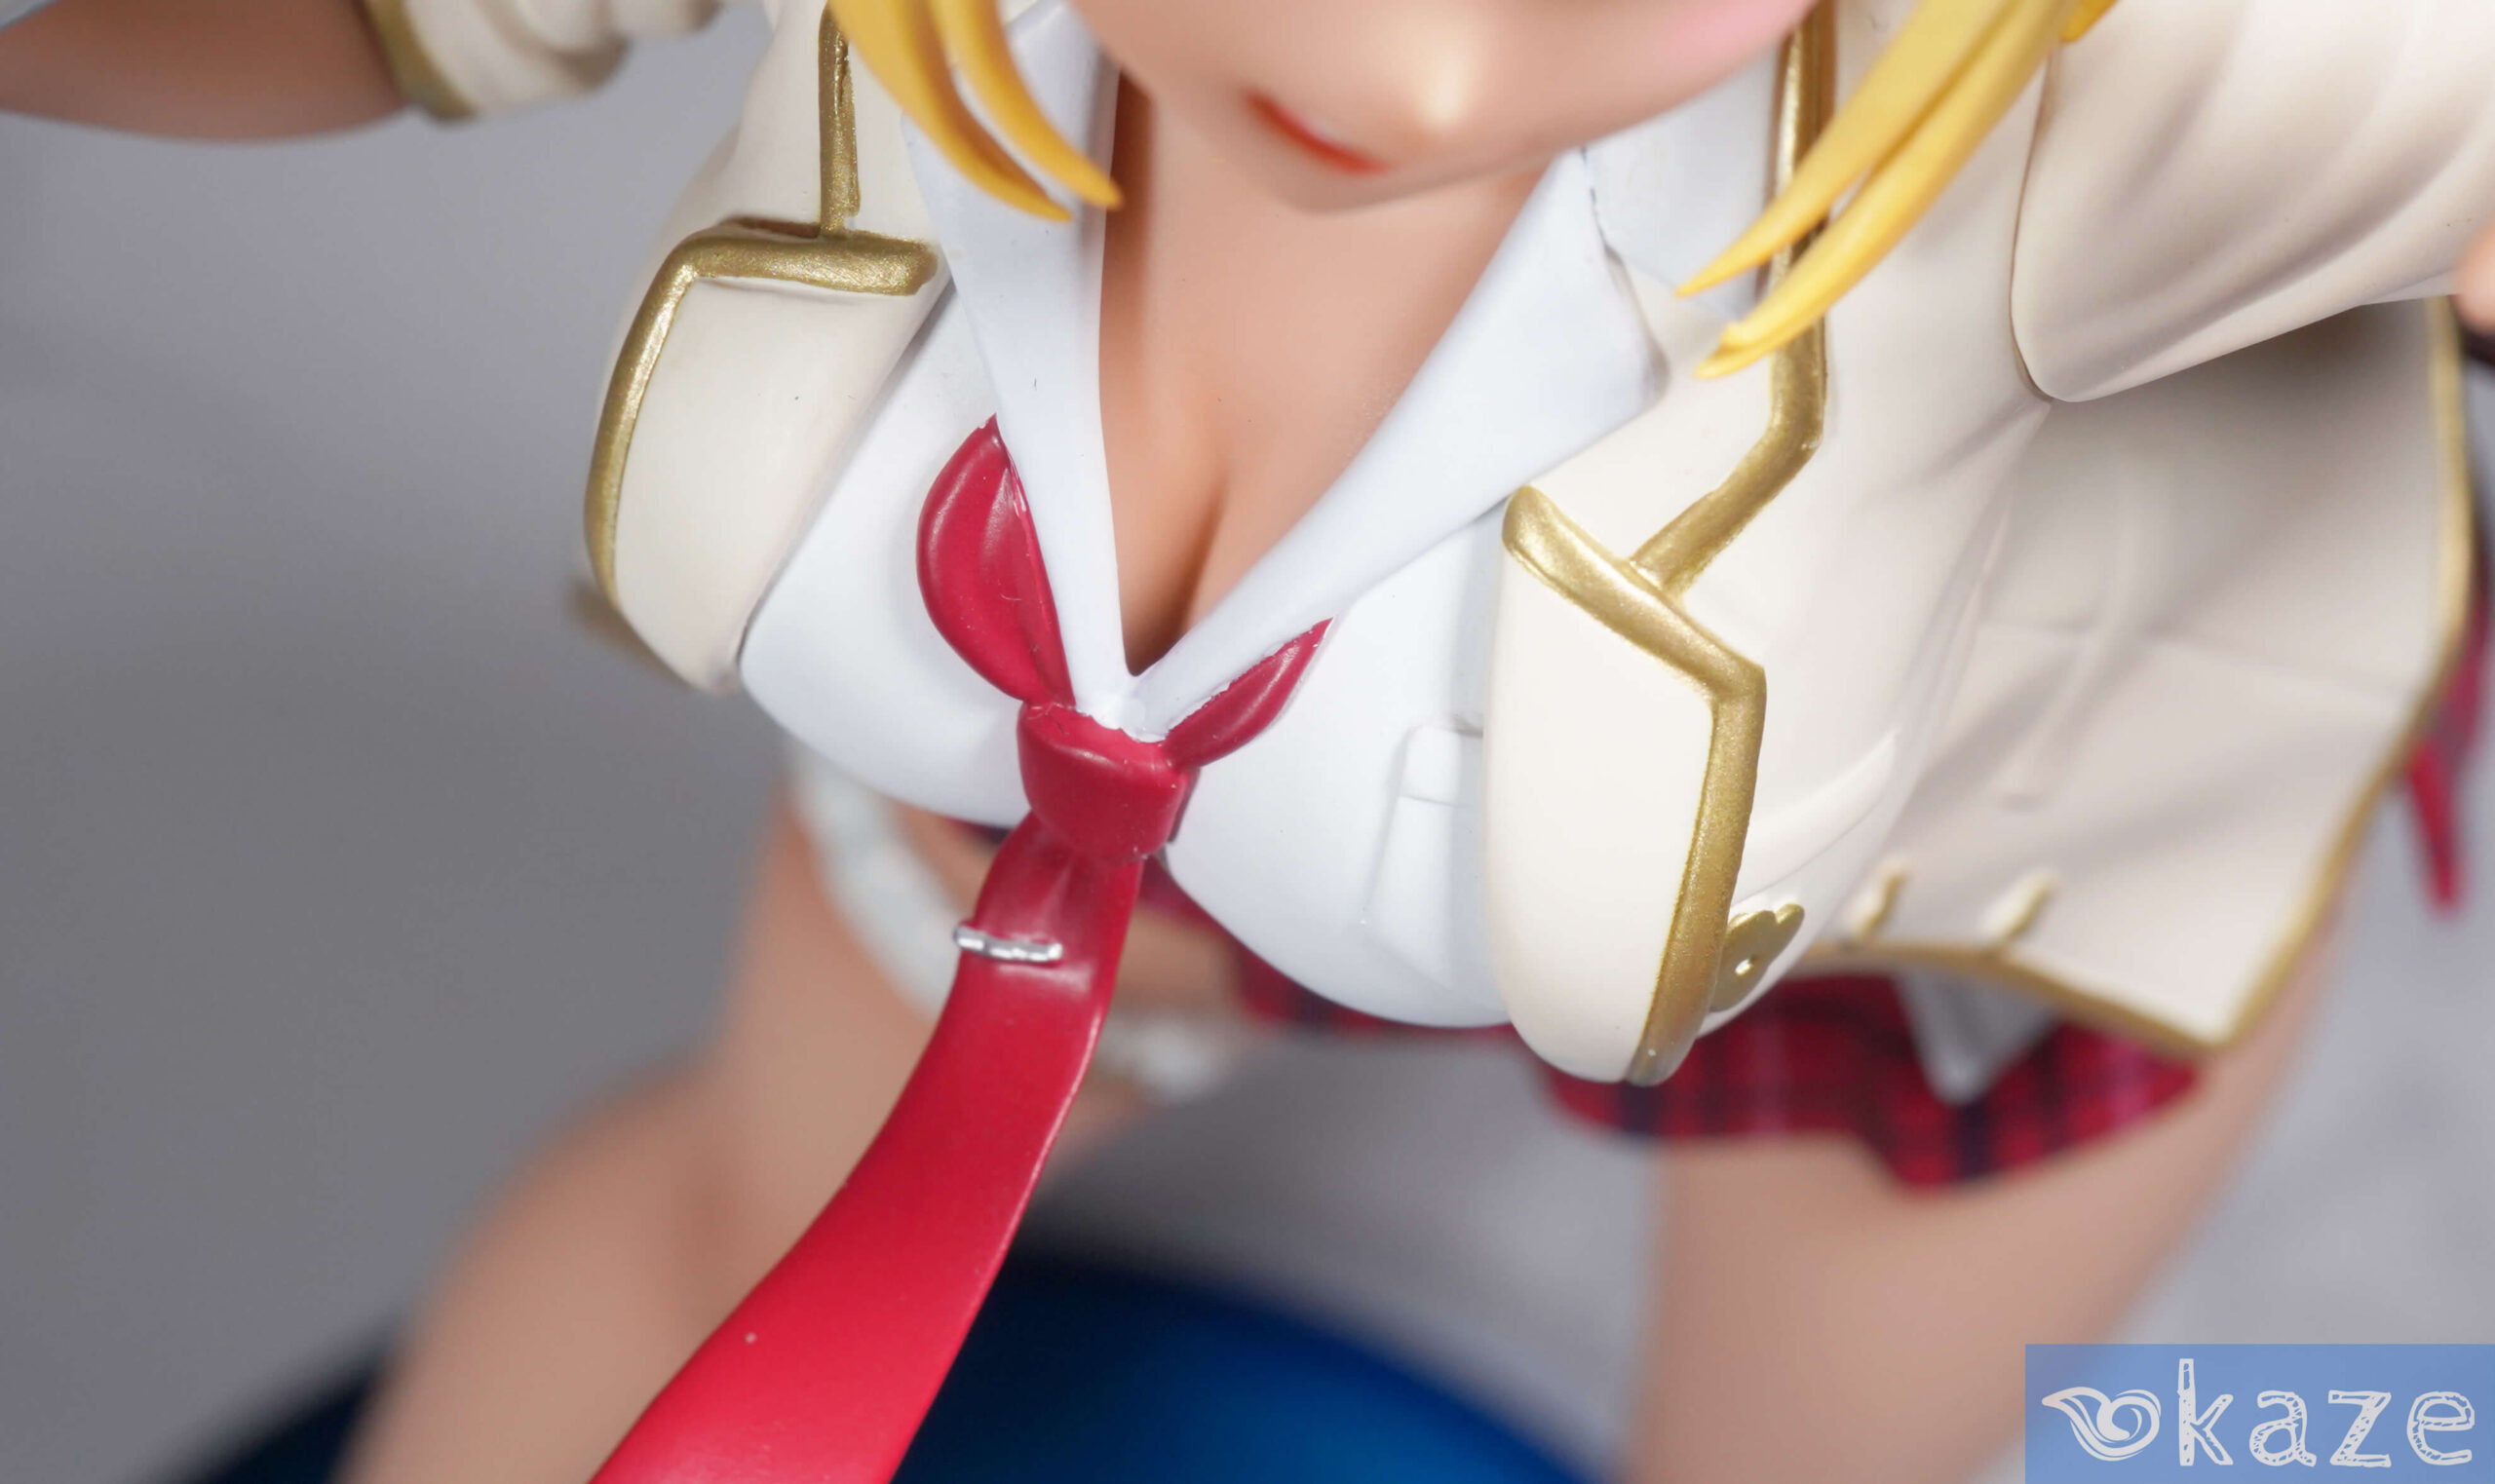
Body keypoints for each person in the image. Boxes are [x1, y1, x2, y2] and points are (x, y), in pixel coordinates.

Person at [4, 2, 2493, 1481]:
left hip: (1929, 870)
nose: (1398, 66)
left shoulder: (2114, 99)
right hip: (1057, 814)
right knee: (724, 1221)